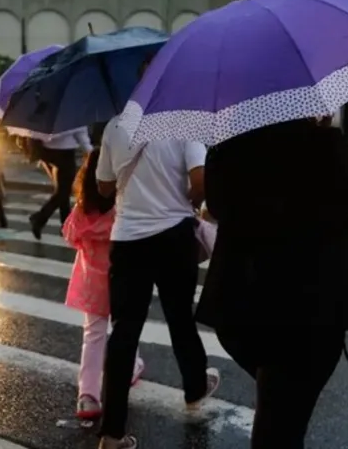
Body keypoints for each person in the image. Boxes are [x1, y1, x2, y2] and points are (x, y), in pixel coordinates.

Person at [196, 117, 348, 448]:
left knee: (278, 404)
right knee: (282, 421)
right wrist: (332, 139)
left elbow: (216, 206)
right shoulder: (320, 140)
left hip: (247, 296)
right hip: (312, 301)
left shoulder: (228, 143)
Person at [94, 116, 220, 449]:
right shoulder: (184, 122)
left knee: (123, 332)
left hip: (128, 239)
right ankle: (194, 387)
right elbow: (200, 179)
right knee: (179, 317)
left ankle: (111, 432)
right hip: (173, 238)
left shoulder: (115, 125)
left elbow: (103, 187)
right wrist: (188, 202)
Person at [62, 148, 146, 420]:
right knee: (125, 330)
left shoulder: (82, 210)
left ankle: (88, 396)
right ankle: (130, 367)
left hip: (91, 284)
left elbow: (71, 236)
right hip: (122, 279)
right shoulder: (123, 209)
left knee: (94, 335)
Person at [28, 127, 92, 239]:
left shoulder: (47, 110)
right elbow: (80, 131)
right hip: (65, 153)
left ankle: (65, 225)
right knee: (63, 191)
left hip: (46, 152)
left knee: (63, 190)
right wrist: (90, 151)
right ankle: (39, 218)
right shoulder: (71, 112)